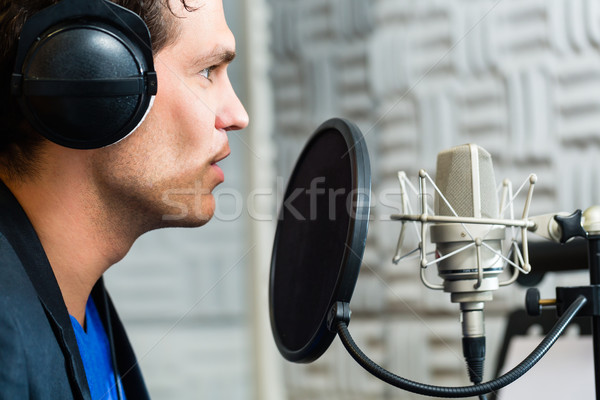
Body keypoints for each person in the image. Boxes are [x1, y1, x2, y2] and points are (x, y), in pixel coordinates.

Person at [0, 0, 249, 398]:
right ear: (91, 74)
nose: (237, 115)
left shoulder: (82, 305)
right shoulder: (6, 336)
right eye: (207, 71)